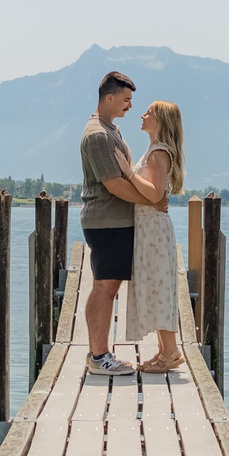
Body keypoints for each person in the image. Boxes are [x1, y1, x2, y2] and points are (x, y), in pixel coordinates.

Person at [78, 70, 146, 375]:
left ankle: (97, 353)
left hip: (113, 221)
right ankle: (99, 356)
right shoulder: (98, 135)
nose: (130, 105)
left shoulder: (110, 130)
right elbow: (113, 185)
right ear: (110, 97)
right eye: (126, 99)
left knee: (106, 286)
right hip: (106, 221)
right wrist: (152, 200)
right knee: (105, 287)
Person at [126, 99, 187, 374]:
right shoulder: (154, 151)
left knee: (159, 286)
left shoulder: (157, 154)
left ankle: (171, 351)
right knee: (156, 285)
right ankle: (165, 351)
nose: (142, 115)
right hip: (149, 227)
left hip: (153, 229)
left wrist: (127, 172)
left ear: (159, 120)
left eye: (148, 112)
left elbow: (154, 193)